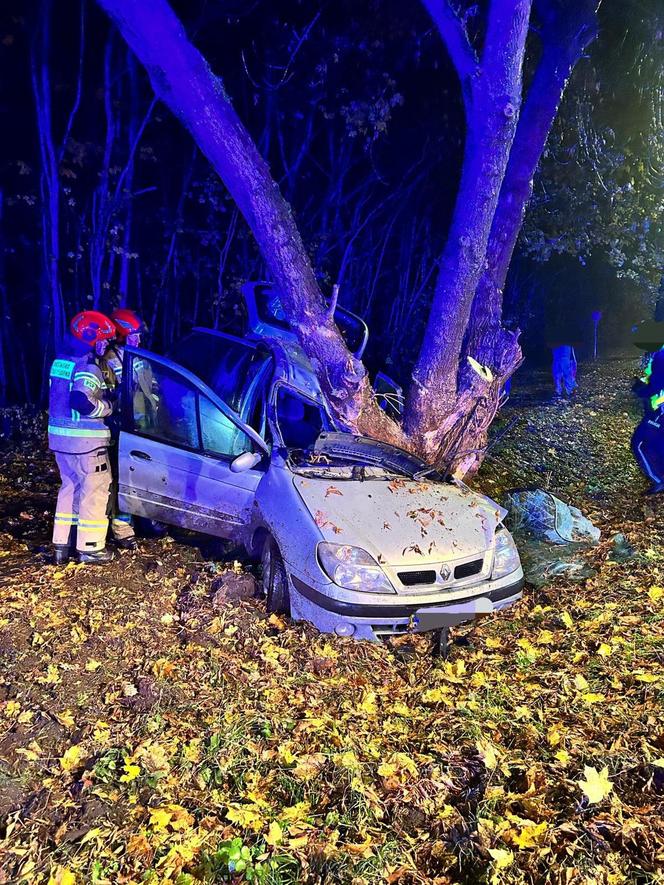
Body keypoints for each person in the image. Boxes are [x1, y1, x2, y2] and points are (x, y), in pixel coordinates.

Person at [48, 311, 117, 564]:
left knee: (69, 489)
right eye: (103, 340)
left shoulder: (61, 362)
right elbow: (80, 400)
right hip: (85, 444)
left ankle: (61, 546)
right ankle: (90, 548)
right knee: (95, 490)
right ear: (90, 338)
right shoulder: (88, 367)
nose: (105, 345)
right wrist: (108, 407)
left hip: (60, 441)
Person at [105, 308, 154, 548]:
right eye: (134, 334)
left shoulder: (141, 358)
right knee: (121, 477)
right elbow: (109, 396)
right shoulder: (109, 360)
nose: (139, 339)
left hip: (145, 429)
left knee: (144, 477)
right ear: (123, 334)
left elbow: (153, 390)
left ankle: (144, 518)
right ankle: (122, 527)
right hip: (122, 429)